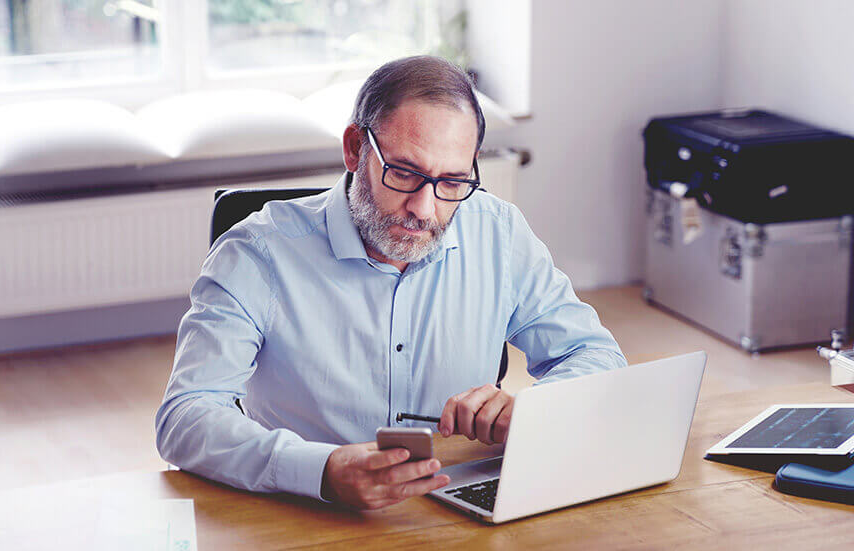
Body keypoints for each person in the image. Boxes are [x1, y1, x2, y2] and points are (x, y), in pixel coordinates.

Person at [155, 55, 626, 510]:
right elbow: (186, 416)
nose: (424, 209)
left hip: (455, 502)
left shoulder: (497, 231)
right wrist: (320, 470)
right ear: (355, 149)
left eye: (452, 182)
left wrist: (535, 410)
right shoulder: (256, 252)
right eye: (404, 172)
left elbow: (595, 355)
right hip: (301, 511)